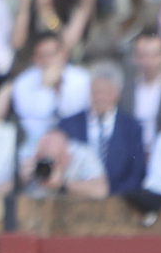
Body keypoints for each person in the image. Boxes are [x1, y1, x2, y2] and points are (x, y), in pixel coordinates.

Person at [60, 61, 146, 195]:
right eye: (96, 92)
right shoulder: (68, 125)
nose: (99, 97)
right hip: (76, 198)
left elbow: (136, 172)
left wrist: (112, 197)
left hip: (119, 201)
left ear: (117, 93)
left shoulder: (131, 129)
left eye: (105, 92)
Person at [8, 32, 88, 154]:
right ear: (35, 58)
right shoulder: (22, 83)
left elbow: (80, 114)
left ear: (64, 55)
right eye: (42, 55)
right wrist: (45, 88)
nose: (47, 60)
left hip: (76, 142)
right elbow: (32, 120)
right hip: (36, 144)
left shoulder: (83, 79)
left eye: (52, 54)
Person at [122, 28, 161, 153]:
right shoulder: (125, 90)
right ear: (135, 57)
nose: (148, 62)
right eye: (143, 55)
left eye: (154, 55)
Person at [17, 126, 108, 198]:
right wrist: (20, 180)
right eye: (44, 160)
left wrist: (63, 186)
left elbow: (101, 191)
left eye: (54, 162)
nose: (48, 167)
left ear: (67, 158)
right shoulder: (29, 156)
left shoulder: (82, 155)